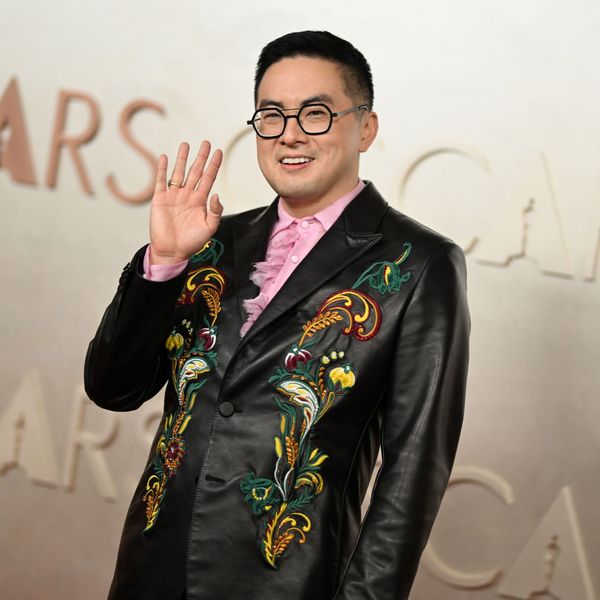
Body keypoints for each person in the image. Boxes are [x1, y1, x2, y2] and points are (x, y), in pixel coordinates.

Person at [85, 30, 470, 600]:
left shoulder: (419, 264)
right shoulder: (212, 241)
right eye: (272, 115)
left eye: (316, 113)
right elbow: (113, 388)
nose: (290, 134)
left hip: (291, 583)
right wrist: (164, 263)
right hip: (152, 574)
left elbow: (413, 473)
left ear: (366, 126)